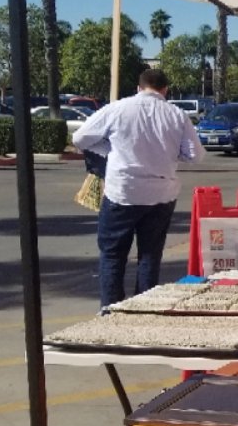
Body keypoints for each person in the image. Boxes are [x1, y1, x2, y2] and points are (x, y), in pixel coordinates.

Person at [72, 69, 205, 311]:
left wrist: (110, 150)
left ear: (138, 88)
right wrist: (169, 154)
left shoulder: (118, 108)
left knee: (113, 255)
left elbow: (80, 138)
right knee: (150, 256)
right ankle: (143, 312)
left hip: (123, 192)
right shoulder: (177, 115)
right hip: (162, 195)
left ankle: (111, 312)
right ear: (165, 90)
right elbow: (195, 155)